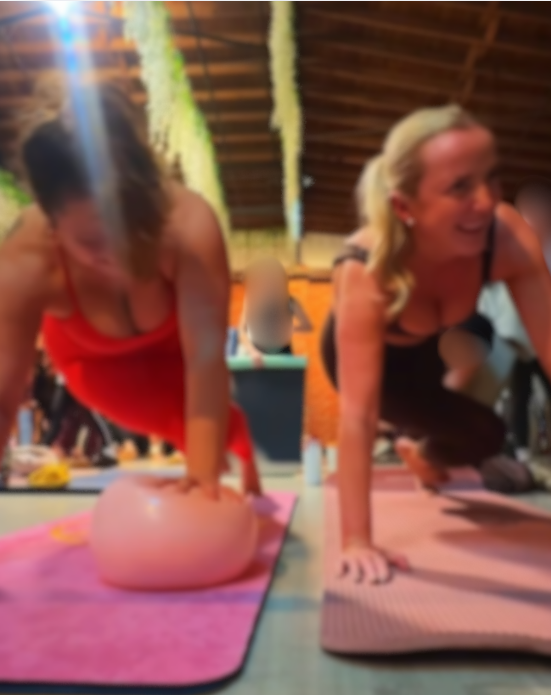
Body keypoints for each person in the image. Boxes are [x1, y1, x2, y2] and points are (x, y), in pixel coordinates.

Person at [320, 104, 551, 584]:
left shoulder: (507, 238)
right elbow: (357, 417)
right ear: (405, 208)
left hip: (434, 348)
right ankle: (409, 443)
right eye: (459, 187)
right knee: (412, 415)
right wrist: (357, 540)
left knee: (487, 435)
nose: (486, 201)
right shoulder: (365, 270)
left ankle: (422, 455)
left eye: (491, 177)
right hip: (382, 364)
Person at [0, 78, 260, 497]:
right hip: (91, 360)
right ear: (52, 224)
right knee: (174, 422)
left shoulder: (189, 226)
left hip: (178, 354)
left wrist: (202, 481)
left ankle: (243, 450)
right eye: (92, 241)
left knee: (214, 433)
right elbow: (4, 392)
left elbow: (206, 363)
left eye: (133, 227)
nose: (118, 253)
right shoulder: (26, 256)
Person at [478, 181, 551, 462]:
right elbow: (489, 294)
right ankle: (520, 450)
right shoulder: (508, 249)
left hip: (542, 337)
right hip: (512, 337)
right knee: (518, 395)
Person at [238, 257, 312, 365]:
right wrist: (253, 352)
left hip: (282, 353)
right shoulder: (251, 300)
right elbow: (242, 331)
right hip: (256, 354)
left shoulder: (290, 302)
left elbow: (307, 325)